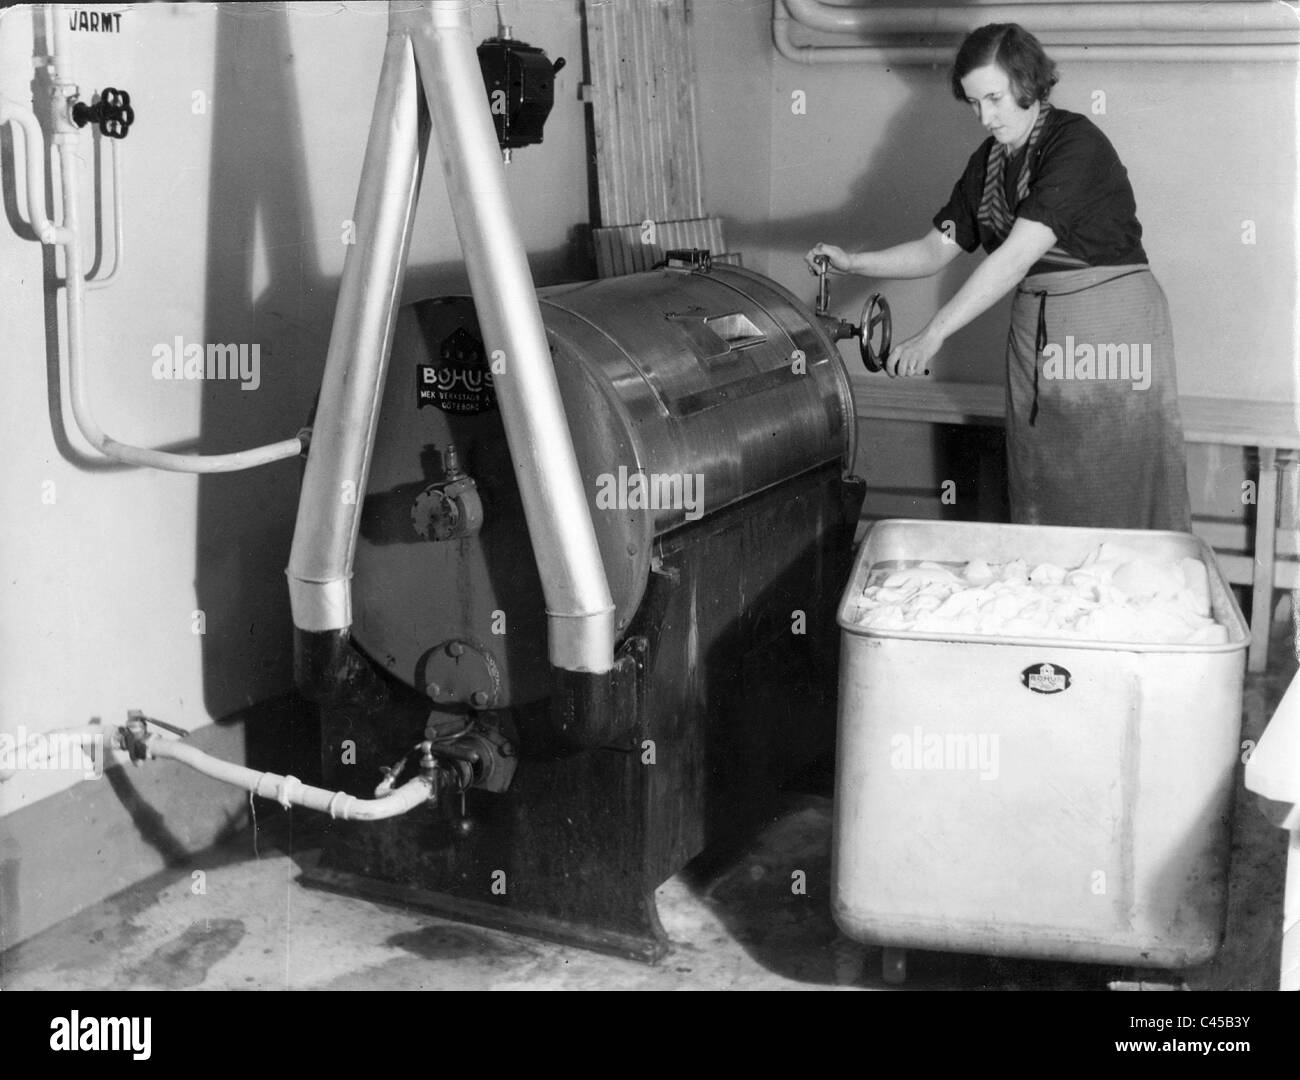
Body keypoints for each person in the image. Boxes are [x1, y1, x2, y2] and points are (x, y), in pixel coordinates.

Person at [806, 23, 1191, 532]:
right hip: (1038, 330)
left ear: (1028, 83)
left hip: (1107, 326)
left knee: (1106, 477)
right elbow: (934, 248)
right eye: (973, 103)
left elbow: (1013, 258)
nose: (985, 117)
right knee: (1042, 473)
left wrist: (934, 333)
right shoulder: (988, 162)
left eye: (995, 98)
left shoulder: (1076, 144)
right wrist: (854, 261)